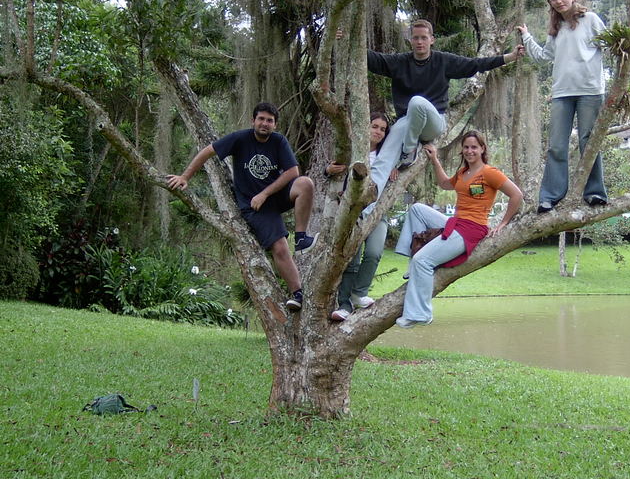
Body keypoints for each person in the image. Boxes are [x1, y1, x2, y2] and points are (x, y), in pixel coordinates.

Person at [167, 102, 315, 311]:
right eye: (261, 119)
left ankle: (301, 239)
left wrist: (265, 193)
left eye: (270, 121)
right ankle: (297, 294)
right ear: (253, 121)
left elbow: (293, 172)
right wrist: (185, 177)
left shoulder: (278, 141)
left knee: (305, 183)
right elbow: (207, 152)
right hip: (254, 205)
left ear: (275, 125)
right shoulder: (240, 139)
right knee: (280, 247)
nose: (265, 124)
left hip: (273, 196)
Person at [364, 20, 525, 202]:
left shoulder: (443, 60)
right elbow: (373, 59)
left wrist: (510, 57)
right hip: (407, 123)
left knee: (416, 102)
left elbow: (475, 64)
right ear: (410, 40)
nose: (419, 42)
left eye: (424, 38)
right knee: (383, 158)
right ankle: (365, 207)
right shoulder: (400, 62)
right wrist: (344, 39)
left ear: (432, 39)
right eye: (415, 38)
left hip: (432, 123)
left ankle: (409, 151)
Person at [394, 130, 523, 328]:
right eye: (466, 147)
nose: (470, 151)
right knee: (417, 210)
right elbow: (445, 184)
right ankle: (413, 263)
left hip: (471, 229)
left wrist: (503, 223)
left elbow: (516, 195)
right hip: (456, 222)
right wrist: (435, 160)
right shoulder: (463, 173)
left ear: (482, 149)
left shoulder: (489, 173)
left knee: (423, 261)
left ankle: (421, 314)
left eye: (474, 147)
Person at [517, 0, 609, 214]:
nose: (558, 1)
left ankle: (595, 192)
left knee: (589, 142)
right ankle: (550, 197)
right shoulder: (556, 29)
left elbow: (609, 44)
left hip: (590, 91)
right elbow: (543, 56)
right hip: (562, 93)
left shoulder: (591, 20)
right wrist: (527, 37)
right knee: (557, 145)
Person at [326, 112, 396, 322]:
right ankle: (344, 304)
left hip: (377, 212)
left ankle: (359, 293)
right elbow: (332, 171)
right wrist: (328, 169)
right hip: (353, 213)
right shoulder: (353, 152)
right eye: (374, 126)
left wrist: (395, 169)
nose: (378, 132)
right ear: (366, 127)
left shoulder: (387, 156)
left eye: (382, 129)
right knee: (352, 259)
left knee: (374, 253)